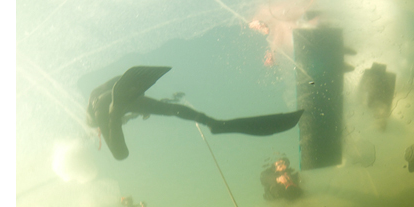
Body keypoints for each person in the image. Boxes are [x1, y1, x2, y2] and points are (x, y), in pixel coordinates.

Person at [87, 66, 304, 160]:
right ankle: (212, 122)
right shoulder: (99, 109)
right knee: (169, 110)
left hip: (113, 101)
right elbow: (123, 92)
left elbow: (117, 99)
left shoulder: (97, 110)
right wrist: (122, 109)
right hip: (118, 99)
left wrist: (117, 112)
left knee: (121, 153)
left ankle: (213, 123)